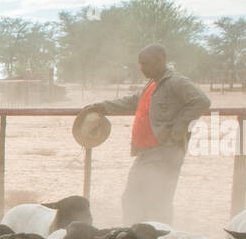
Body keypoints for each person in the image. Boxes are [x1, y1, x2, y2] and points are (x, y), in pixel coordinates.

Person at [82, 44, 209, 225]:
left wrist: (179, 128)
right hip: (146, 153)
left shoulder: (176, 82)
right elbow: (133, 101)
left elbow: (201, 101)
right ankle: (134, 237)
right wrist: (102, 106)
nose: (142, 68)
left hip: (165, 152)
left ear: (161, 61)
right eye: (140, 64)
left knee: (158, 201)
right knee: (132, 199)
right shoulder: (152, 84)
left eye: (146, 64)